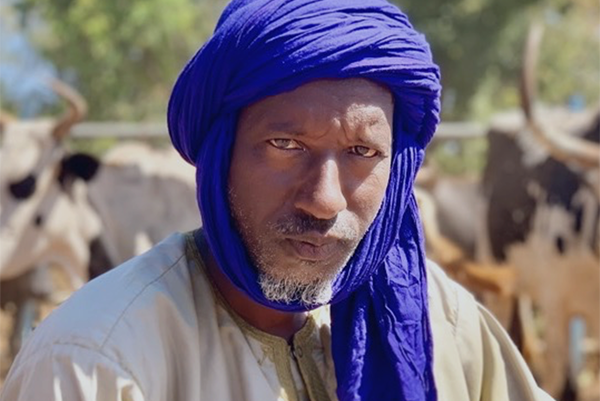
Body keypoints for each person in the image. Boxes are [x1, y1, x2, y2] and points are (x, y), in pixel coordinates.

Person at [1, 0, 554, 400]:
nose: (324, 199)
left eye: (363, 151)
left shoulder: (442, 323)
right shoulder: (97, 360)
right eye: (285, 145)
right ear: (221, 155)